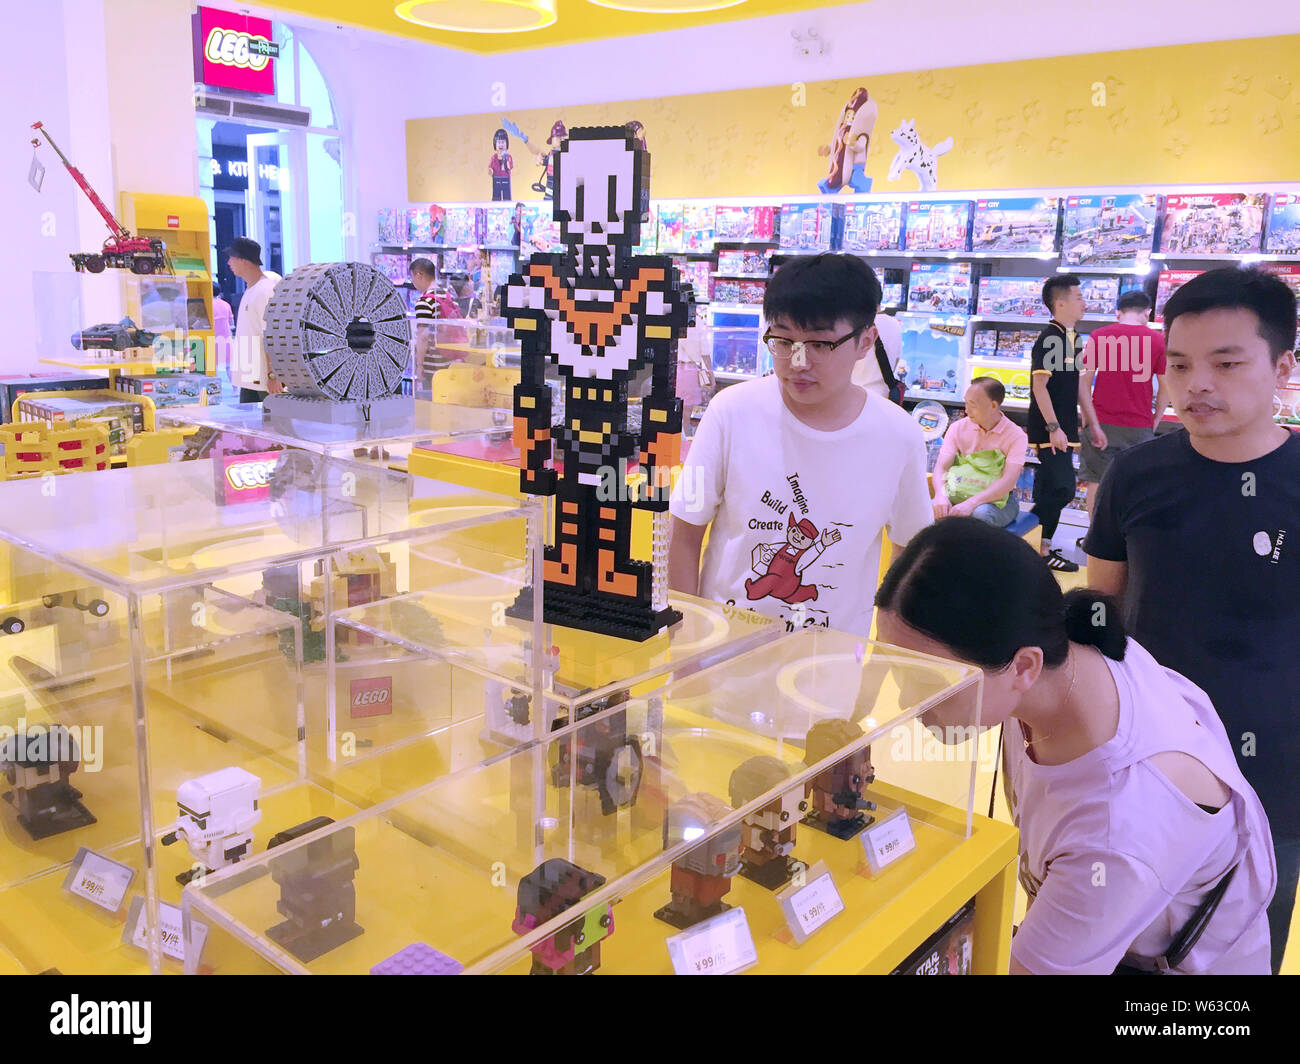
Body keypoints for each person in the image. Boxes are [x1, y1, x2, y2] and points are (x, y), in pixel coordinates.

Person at [876, 518, 1276, 975]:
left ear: (1023, 666)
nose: (907, 702)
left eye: (926, 679)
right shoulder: (1065, 660)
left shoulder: (1118, 821)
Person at [1085, 267, 1299, 973]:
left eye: (1227, 363)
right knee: (1115, 950)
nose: (1196, 383)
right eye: (1179, 364)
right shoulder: (1136, 474)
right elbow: (1102, 617)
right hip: (1144, 767)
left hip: (1275, 785)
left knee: (1234, 964)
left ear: (1283, 366)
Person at [668, 253, 932, 637]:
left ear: (865, 342)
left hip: (829, 665)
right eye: (783, 340)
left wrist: (885, 654)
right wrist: (684, 638)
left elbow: (909, 551)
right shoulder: (730, 412)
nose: (797, 361)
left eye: (820, 344)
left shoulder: (899, 436)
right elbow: (684, 534)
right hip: (721, 658)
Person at [1077, 290, 1169, 524]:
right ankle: (1128, 540)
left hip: (1102, 422)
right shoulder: (1158, 340)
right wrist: (1154, 420)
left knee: (1097, 482)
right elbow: (1166, 388)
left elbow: (1083, 382)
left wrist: (1090, 418)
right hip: (1139, 424)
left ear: (1118, 312)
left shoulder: (1100, 336)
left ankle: (1095, 540)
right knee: (1136, 485)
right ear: (1147, 312)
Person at [1028, 274, 1087, 572]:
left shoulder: (1071, 337)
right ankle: (1031, 541)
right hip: (1051, 430)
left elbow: (1074, 385)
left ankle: (1040, 545)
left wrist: (1088, 418)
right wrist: (1053, 428)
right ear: (1060, 303)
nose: (1084, 302)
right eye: (1078, 297)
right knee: (1063, 488)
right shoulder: (1050, 338)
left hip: (1064, 427)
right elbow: (1040, 387)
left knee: (1054, 488)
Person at [932, 376, 1028, 528]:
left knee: (980, 515)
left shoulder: (1016, 435)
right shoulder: (957, 427)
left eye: (973, 405)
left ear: (993, 405)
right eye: (966, 403)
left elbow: (1008, 482)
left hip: (997, 500)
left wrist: (971, 503)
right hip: (959, 490)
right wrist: (940, 495)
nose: (966, 410)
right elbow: (941, 467)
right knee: (932, 508)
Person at [226, 237, 282, 404]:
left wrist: (273, 375)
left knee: (274, 426)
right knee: (249, 428)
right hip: (250, 377)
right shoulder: (251, 289)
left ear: (244, 260)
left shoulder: (265, 291)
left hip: (264, 379)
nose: (229, 262)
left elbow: (271, 335)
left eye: (232, 257)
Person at [849, 308, 903, 403]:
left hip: (855, 397)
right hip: (884, 397)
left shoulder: (853, 321)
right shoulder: (894, 324)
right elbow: (897, 360)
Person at [212, 283, 233, 384]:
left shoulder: (208, 304)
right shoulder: (226, 304)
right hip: (226, 337)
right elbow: (231, 322)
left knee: (212, 366)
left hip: (212, 338)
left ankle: (214, 388)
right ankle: (235, 389)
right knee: (228, 366)